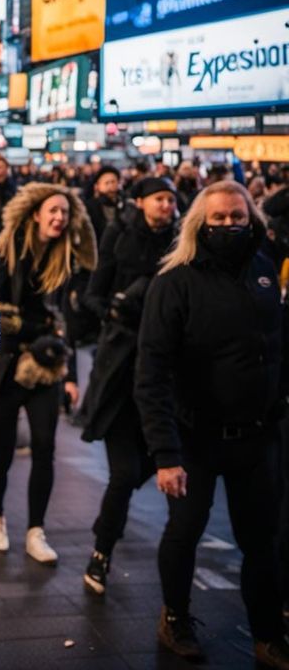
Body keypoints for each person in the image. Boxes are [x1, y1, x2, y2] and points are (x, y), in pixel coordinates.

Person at [135, 180, 289, 665]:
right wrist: (165, 455)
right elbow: (151, 372)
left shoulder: (263, 273)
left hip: (257, 438)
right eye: (218, 219)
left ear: (252, 221)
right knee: (184, 534)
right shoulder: (174, 282)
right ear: (200, 223)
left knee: (261, 542)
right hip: (194, 440)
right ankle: (176, 617)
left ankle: (267, 633)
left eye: (237, 218)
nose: (228, 226)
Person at [0, 182, 97, 565]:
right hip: (9, 365)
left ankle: (36, 530)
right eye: (53, 210)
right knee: (0, 455)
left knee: (45, 449)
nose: (59, 217)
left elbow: (67, 323)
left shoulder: (64, 260)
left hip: (47, 367)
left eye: (65, 212)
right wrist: (38, 334)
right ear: (35, 214)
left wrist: (71, 376)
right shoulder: (8, 250)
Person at [78, 174, 179, 596]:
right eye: (158, 199)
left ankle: (173, 586)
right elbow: (92, 296)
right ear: (140, 202)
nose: (166, 207)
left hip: (164, 377)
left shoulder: (181, 244)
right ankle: (101, 553)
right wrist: (118, 313)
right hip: (122, 373)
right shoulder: (119, 237)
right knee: (125, 472)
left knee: (158, 471)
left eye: (171, 200)